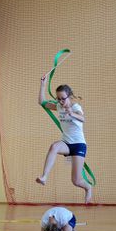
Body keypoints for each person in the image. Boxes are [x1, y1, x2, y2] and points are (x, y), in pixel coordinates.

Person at [36, 76, 93, 204]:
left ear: (69, 96)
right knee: (54, 147)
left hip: (78, 145)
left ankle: (88, 187)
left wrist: (71, 113)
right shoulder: (59, 106)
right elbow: (42, 102)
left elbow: (83, 118)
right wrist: (43, 85)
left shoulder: (75, 106)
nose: (61, 101)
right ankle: (44, 177)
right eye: (58, 99)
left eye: (63, 98)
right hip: (66, 143)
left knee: (76, 181)